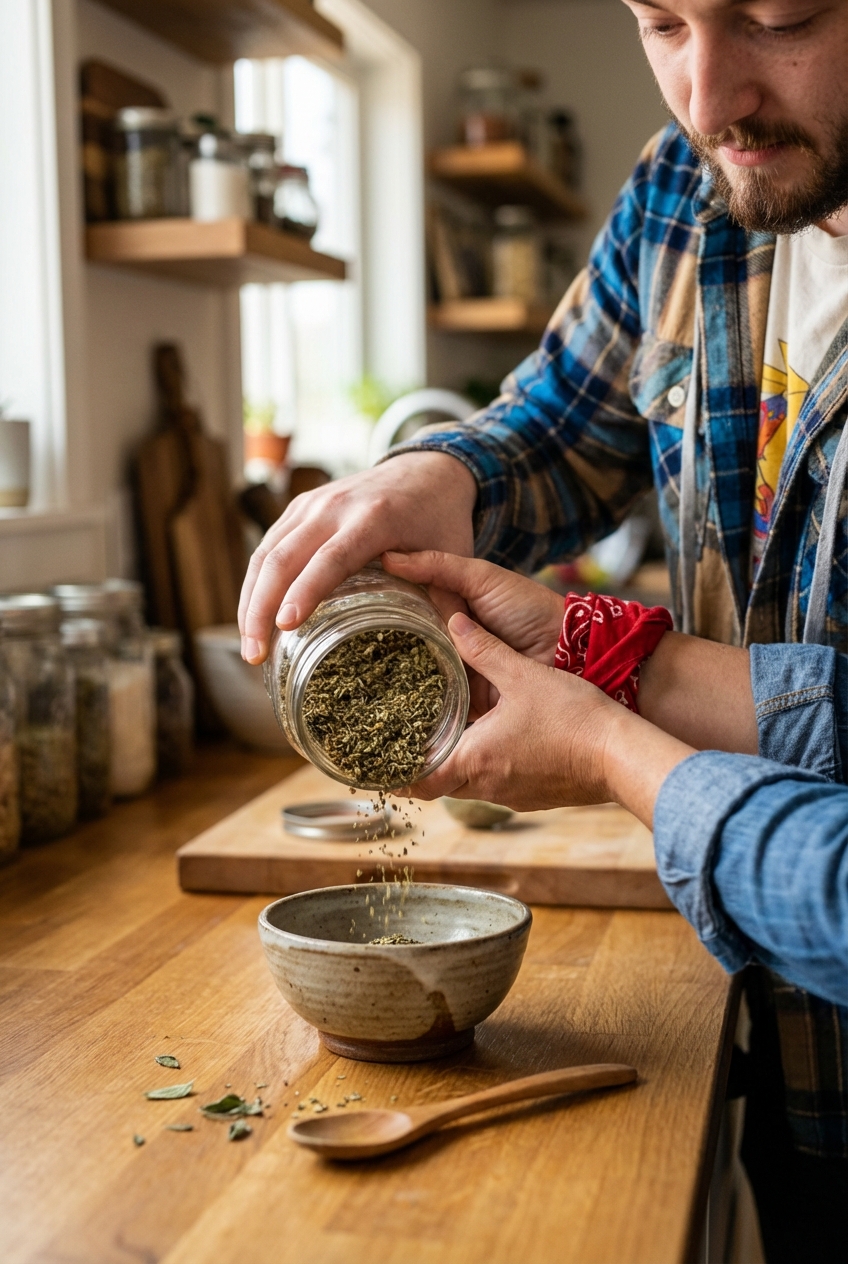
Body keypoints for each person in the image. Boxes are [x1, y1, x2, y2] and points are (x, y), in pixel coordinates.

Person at [239, 0, 848, 1255]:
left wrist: (610, 735)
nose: (705, 96)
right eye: (660, 22)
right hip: (765, 1022)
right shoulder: (689, 188)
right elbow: (560, 428)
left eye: (779, 17)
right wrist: (444, 476)